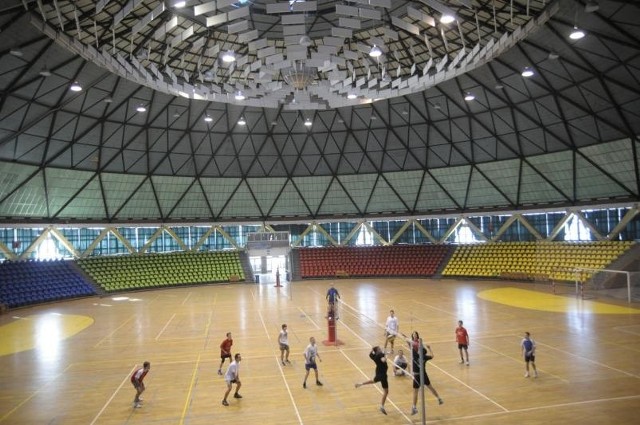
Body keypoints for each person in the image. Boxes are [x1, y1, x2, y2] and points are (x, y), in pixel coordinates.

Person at [407, 331, 443, 415]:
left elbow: (410, 345)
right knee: (430, 387)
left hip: (417, 375)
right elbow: (432, 356)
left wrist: (406, 339)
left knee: (415, 391)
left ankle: (414, 407)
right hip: (423, 374)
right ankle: (439, 398)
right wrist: (429, 348)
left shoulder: (414, 354)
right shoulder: (425, 357)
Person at [355, 346, 389, 415]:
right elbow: (383, 360)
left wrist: (373, 350)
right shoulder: (380, 355)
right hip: (383, 374)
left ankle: (361, 383)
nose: (380, 349)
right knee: (386, 391)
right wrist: (386, 356)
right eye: (379, 349)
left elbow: (370, 354)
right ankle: (382, 406)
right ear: (377, 350)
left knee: (374, 381)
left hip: (379, 372)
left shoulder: (374, 356)